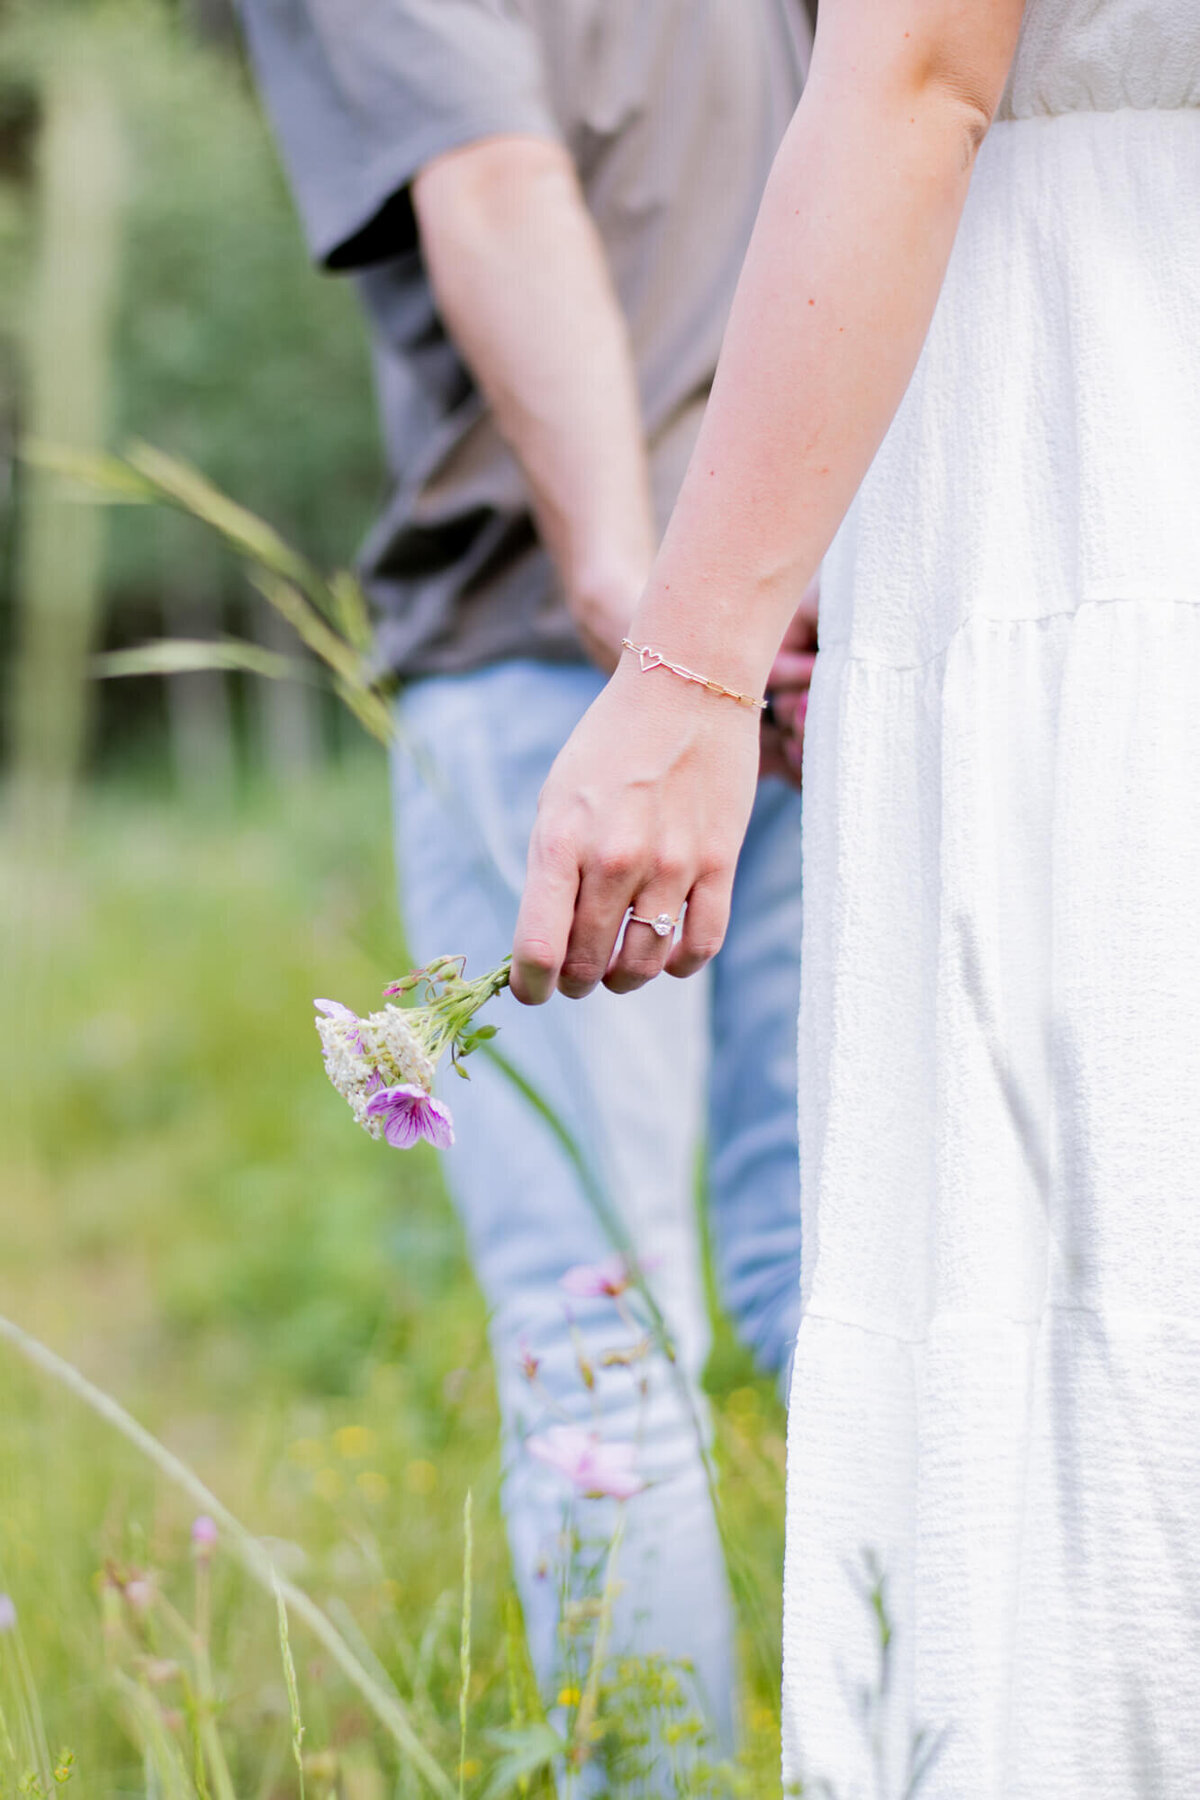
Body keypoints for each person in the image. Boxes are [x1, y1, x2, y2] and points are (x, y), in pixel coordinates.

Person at [511, 0, 1200, 1794]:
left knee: (1094, 1277)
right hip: (1082, 406)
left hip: (1097, 449)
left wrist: (687, 662)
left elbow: (911, 76)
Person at [239, 0, 818, 1752]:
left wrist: (645, 608)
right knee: (838, 1288)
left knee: (598, 1350)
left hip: (575, 655)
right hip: (813, 632)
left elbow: (490, 180)